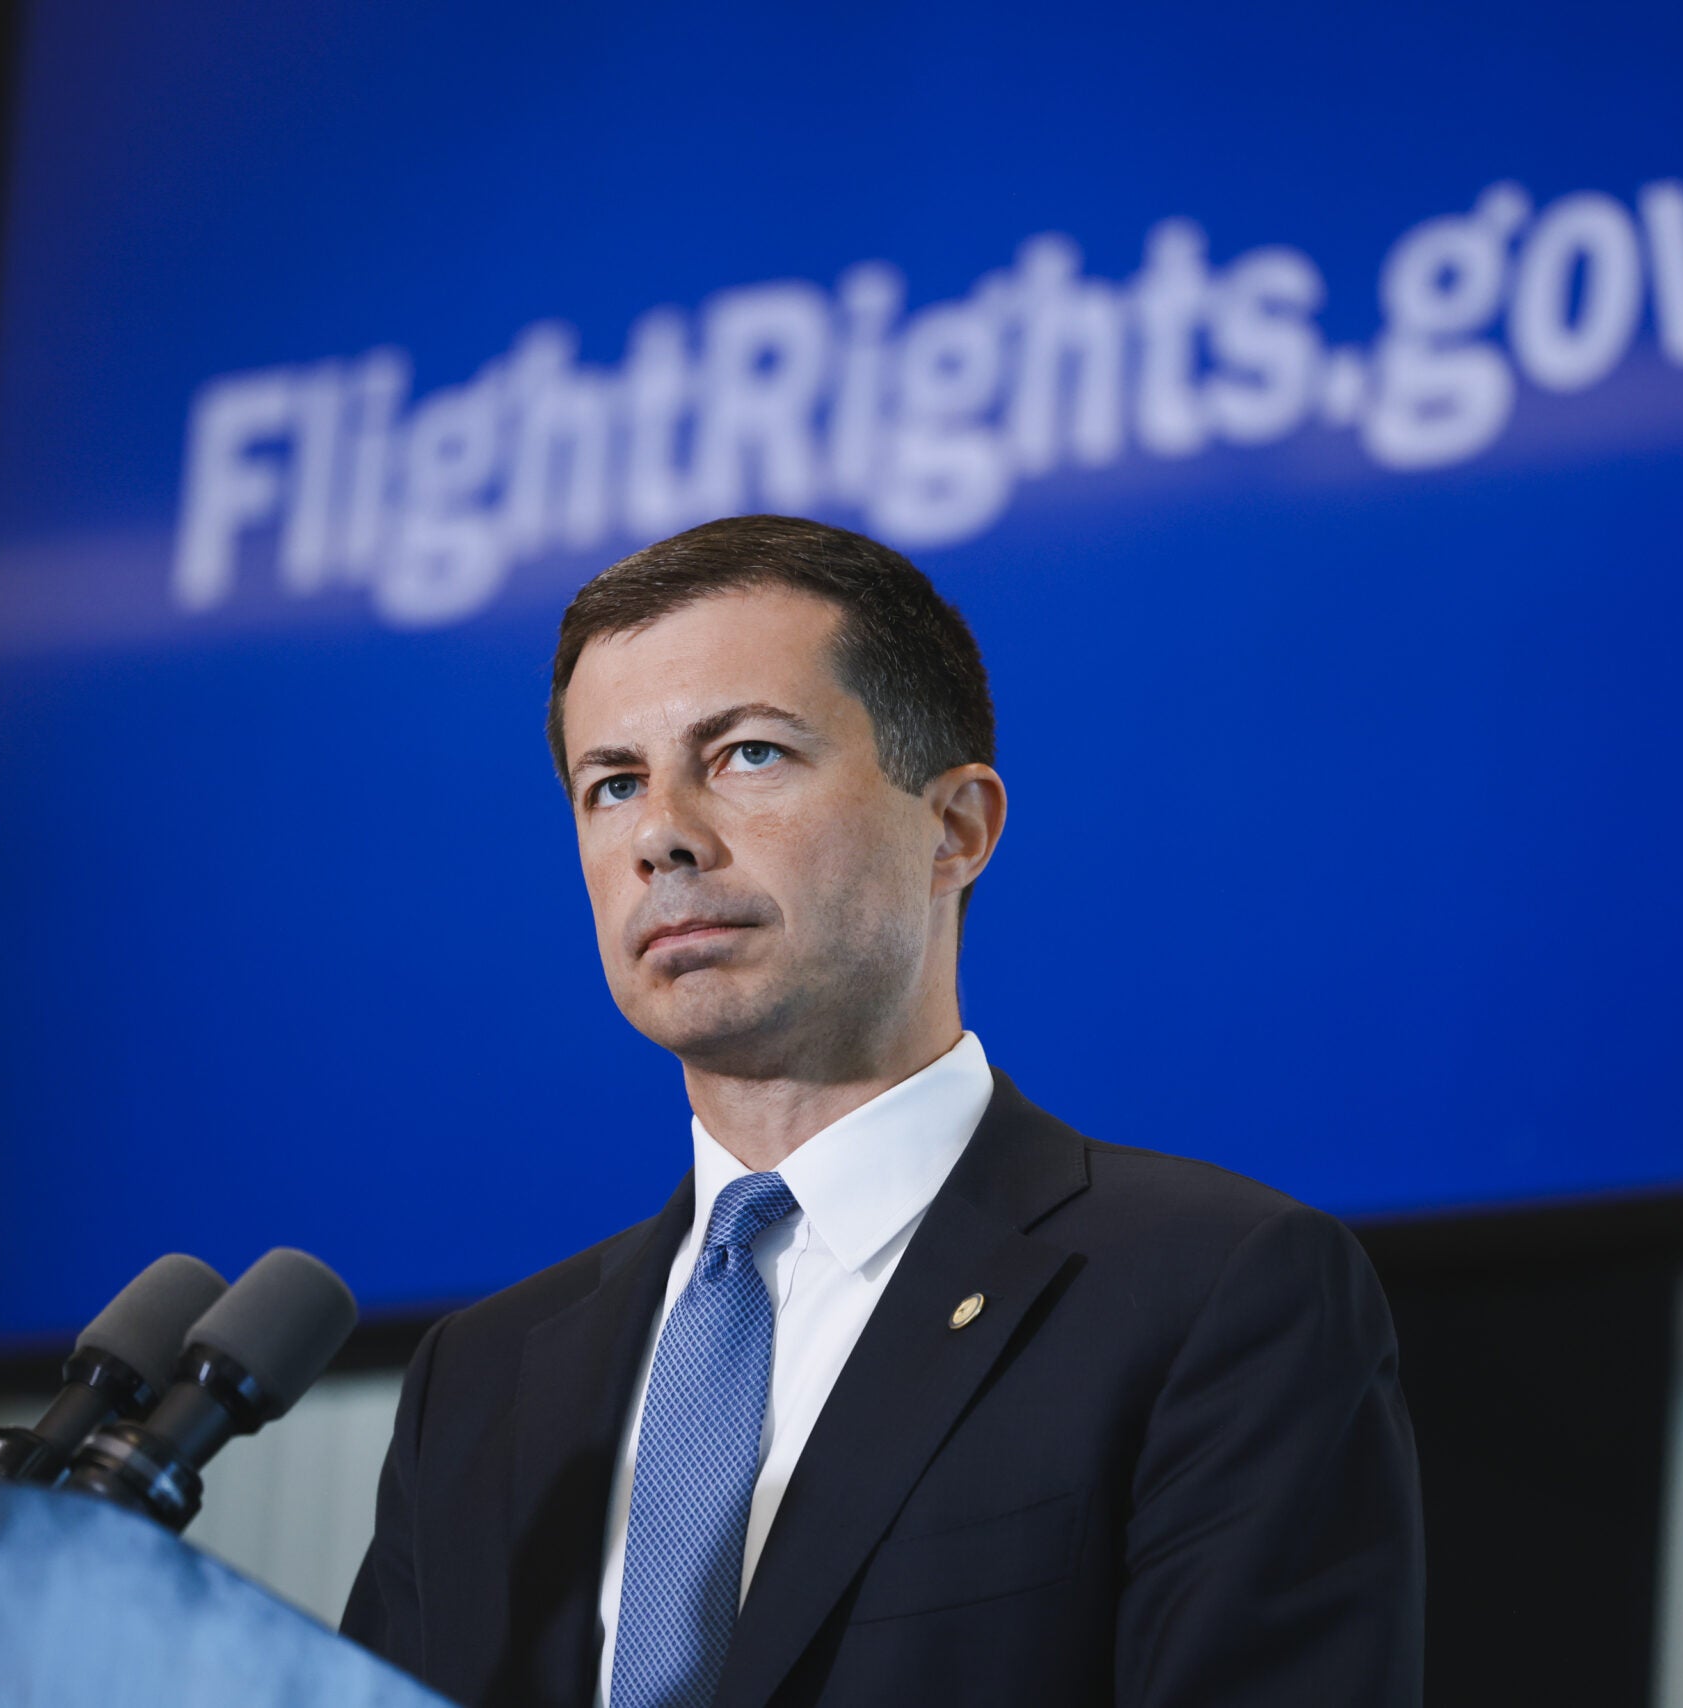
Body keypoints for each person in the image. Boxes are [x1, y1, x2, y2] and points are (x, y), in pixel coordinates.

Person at [342, 515, 1423, 1707]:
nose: (661, 836)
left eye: (747, 754)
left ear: (954, 828)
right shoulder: (482, 1379)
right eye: (612, 784)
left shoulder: (1212, 1291)